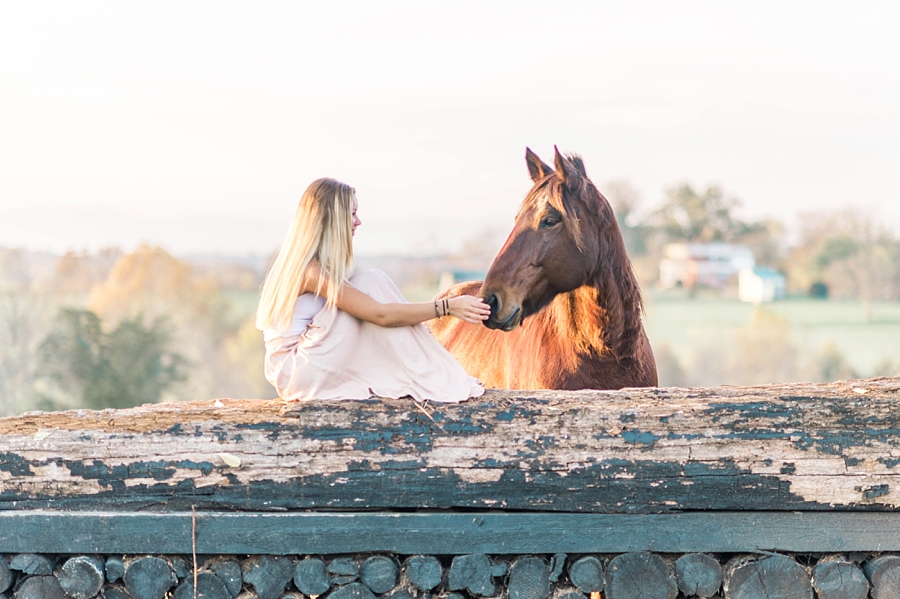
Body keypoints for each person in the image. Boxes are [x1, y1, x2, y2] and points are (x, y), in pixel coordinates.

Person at [256, 177, 490, 402]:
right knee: (369, 282)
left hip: (299, 366)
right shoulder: (312, 272)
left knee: (370, 283)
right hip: (297, 370)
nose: (358, 221)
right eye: (352, 214)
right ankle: (434, 374)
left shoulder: (310, 266)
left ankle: (433, 371)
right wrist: (446, 307)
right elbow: (381, 314)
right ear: (333, 219)